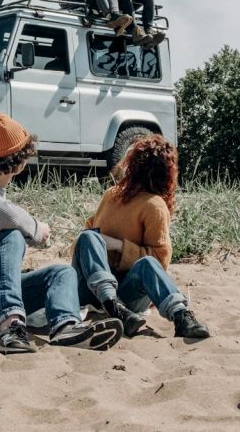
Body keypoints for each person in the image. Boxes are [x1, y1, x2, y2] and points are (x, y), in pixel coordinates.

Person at [0, 113, 124, 353]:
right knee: (11, 234)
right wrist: (36, 228)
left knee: (61, 273)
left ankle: (66, 327)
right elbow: (8, 216)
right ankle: (9, 328)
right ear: (18, 159)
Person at [71, 135, 210, 340]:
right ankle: (111, 303)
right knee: (88, 238)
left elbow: (160, 260)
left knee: (148, 263)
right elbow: (86, 237)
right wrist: (97, 245)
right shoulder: (111, 195)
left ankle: (181, 315)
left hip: (127, 293)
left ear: (135, 164)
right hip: (92, 287)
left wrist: (119, 246)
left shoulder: (154, 205)